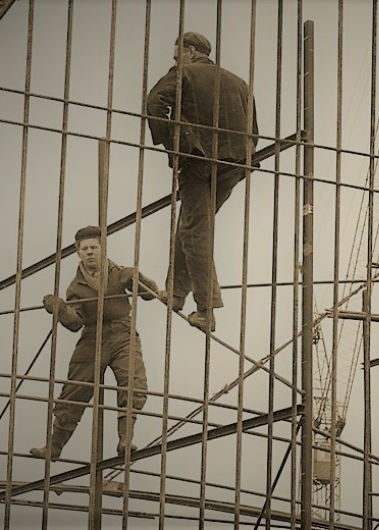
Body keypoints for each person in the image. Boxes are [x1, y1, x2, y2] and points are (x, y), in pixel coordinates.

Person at [146, 31, 259, 332]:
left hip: (198, 163)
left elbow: (155, 103)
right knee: (193, 224)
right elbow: (255, 132)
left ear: (192, 51)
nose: (176, 60)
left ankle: (206, 309)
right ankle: (176, 292)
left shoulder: (184, 73)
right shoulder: (239, 83)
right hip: (233, 166)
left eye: (177, 54)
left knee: (196, 232)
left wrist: (175, 144)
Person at [30, 226, 158, 461]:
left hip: (122, 333)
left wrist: (138, 278)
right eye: (84, 249)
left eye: (94, 248)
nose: (90, 252)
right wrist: (60, 309)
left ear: (102, 249)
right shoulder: (75, 287)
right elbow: (75, 323)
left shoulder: (121, 273)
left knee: (133, 381)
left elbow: (151, 293)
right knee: (75, 388)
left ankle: (125, 439)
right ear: (78, 253)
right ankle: (54, 446)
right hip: (92, 336)